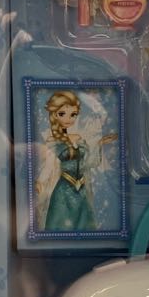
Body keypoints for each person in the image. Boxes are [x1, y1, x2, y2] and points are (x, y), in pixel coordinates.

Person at [40, 90, 115, 232]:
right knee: (60, 227)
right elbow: (48, 165)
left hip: (81, 191)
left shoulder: (79, 139)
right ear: (54, 115)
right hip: (64, 191)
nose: (68, 119)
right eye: (62, 114)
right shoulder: (52, 141)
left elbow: (90, 163)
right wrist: (40, 182)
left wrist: (100, 144)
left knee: (84, 227)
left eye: (73, 114)